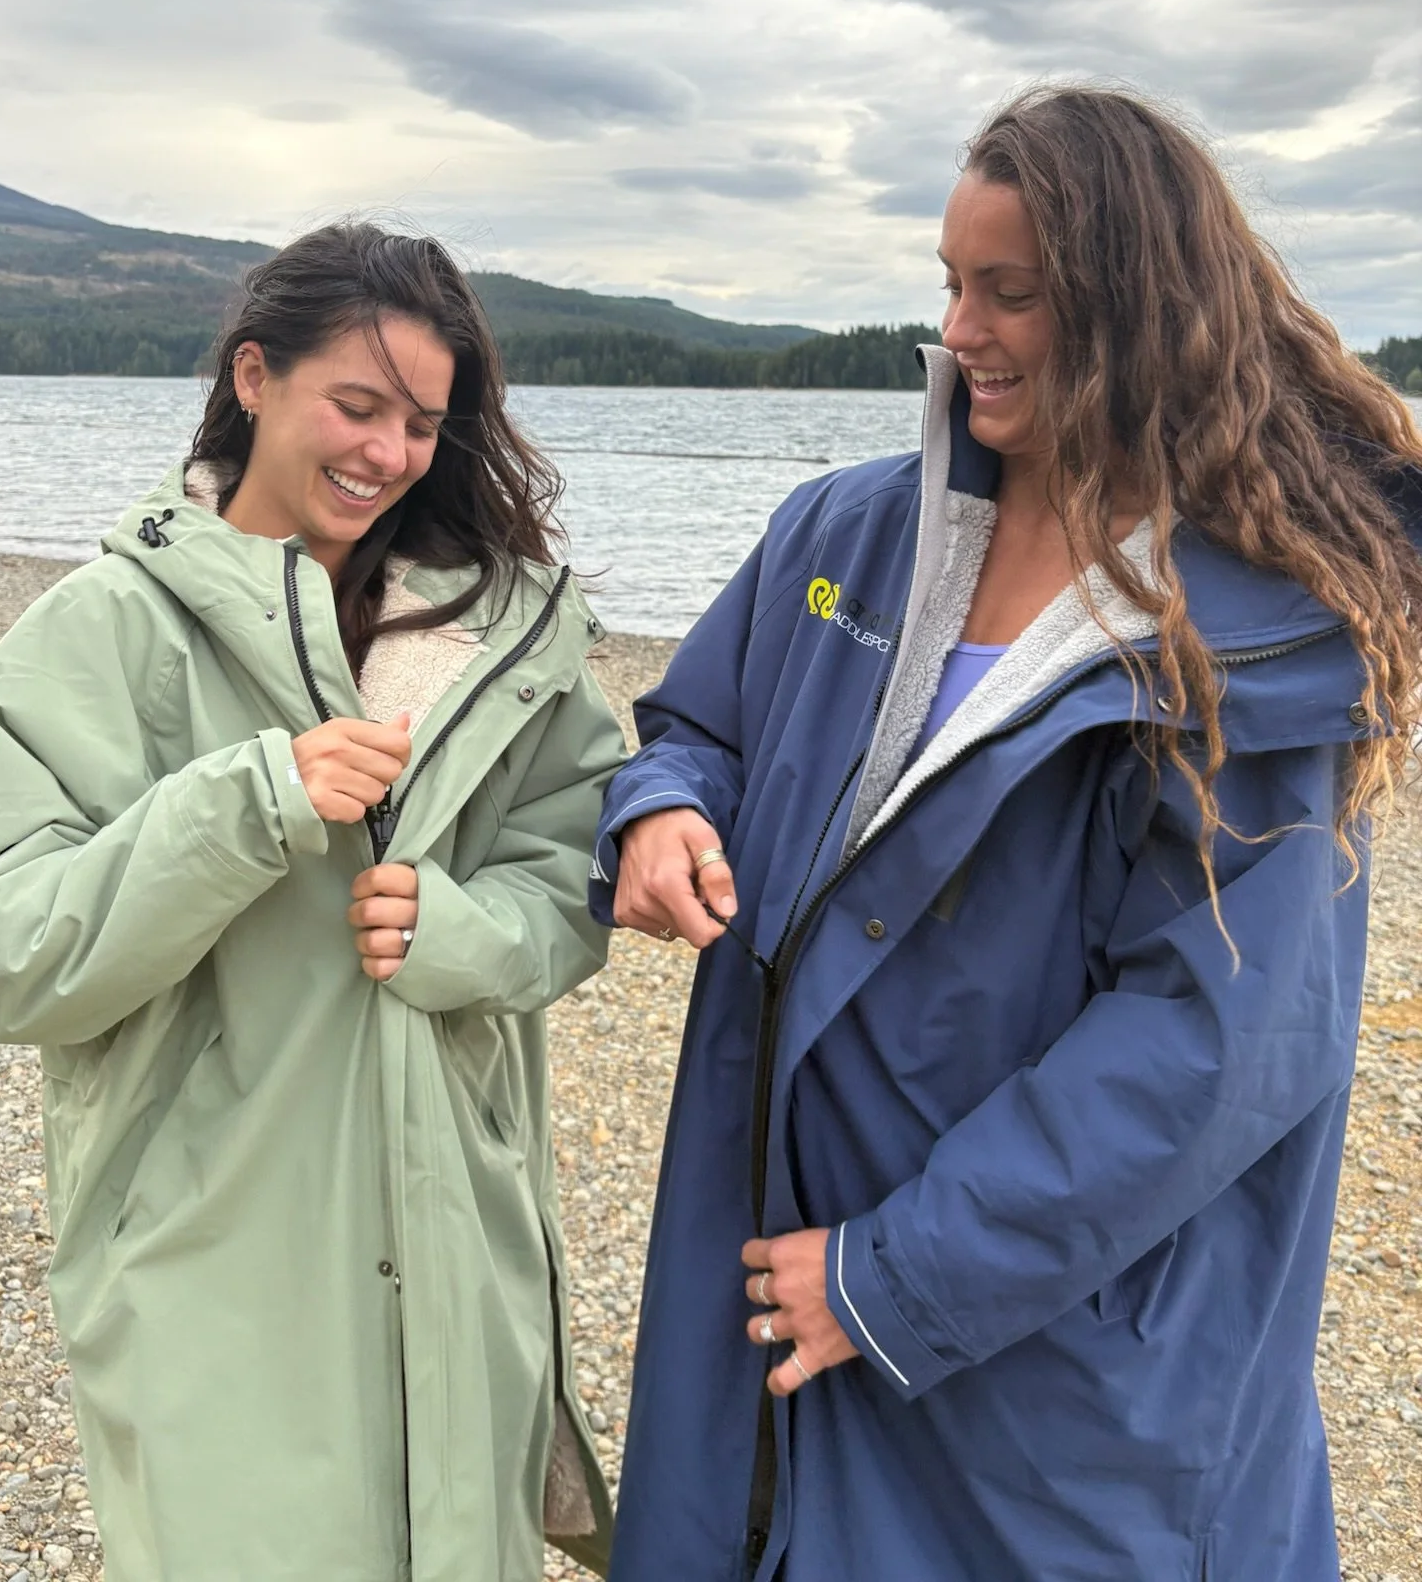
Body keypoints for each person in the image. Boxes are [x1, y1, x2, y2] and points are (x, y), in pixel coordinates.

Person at [594, 87, 1422, 1582]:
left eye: (1011, 293)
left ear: (1139, 309)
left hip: (1046, 1348)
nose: (960, 331)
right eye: (951, 284)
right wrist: (660, 815)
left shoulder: (1261, 634)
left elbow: (1211, 1047)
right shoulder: (843, 536)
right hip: (774, 1261)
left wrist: (893, 1278)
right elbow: (694, 724)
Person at [0, 223, 623, 1582]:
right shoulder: (98, 632)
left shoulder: (506, 644)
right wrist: (245, 808)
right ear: (254, 377)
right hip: (205, 1262)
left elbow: (570, 877)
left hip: (461, 1246)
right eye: (357, 406)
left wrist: (461, 936)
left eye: (423, 422)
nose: (387, 452)